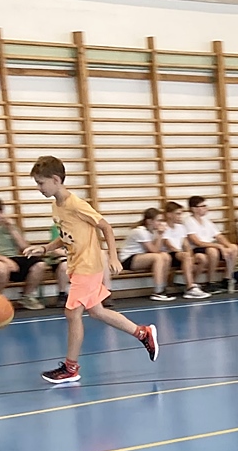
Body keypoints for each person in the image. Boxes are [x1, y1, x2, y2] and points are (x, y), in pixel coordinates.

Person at [22, 156, 158, 384]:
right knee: (97, 311)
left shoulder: (76, 205)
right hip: (76, 265)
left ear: (55, 180)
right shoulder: (57, 206)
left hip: (88, 266)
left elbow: (106, 227)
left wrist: (113, 256)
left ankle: (70, 368)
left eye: (40, 183)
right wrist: (45, 248)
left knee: (72, 314)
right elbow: (66, 237)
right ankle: (143, 333)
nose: (38, 188)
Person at [0, 195, 46, 310]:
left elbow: (24, 247)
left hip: (12, 258)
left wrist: (11, 228)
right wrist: (5, 260)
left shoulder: (9, 226)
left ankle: (26, 297)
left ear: (1, 213)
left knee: (40, 265)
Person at [119, 207, 174, 302]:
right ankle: (158, 291)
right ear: (149, 221)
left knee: (166, 256)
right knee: (158, 257)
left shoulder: (152, 232)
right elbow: (154, 250)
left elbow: (157, 249)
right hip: (128, 259)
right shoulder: (140, 231)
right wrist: (160, 235)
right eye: (158, 220)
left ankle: (163, 287)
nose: (160, 223)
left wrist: (159, 235)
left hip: (141, 257)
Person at [184, 196, 237, 293]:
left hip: (210, 245)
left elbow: (219, 236)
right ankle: (210, 281)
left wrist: (228, 246)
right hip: (198, 248)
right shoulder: (188, 221)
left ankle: (227, 279)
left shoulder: (206, 220)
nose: (206, 208)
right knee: (212, 251)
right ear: (194, 209)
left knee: (234, 248)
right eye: (202, 206)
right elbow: (197, 242)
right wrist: (219, 246)